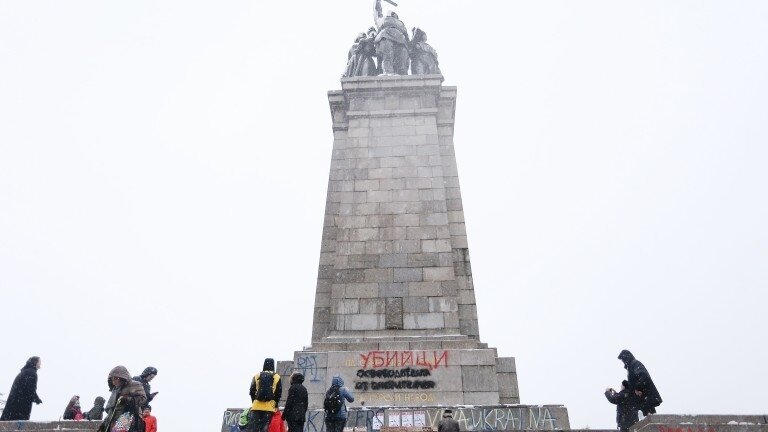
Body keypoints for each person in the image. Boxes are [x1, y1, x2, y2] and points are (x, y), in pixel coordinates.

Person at [98, 366, 147, 432]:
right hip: (115, 424)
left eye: (116, 378)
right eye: (112, 379)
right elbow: (111, 411)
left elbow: (143, 399)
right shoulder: (115, 390)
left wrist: (127, 400)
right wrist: (104, 426)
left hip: (130, 420)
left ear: (122, 378)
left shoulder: (134, 384)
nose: (114, 381)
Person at [618, 350, 662, 415]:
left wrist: (638, 388)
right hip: (641, 398)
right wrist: (626, 384)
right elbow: (634, 381)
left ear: (626, 358)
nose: (623, 362)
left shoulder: (635, 364)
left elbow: (643, 376)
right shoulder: (631, 366)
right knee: (646, 417)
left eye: (623, 359)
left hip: (645, 396)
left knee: (649, 416)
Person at [372, 0, 410, 75]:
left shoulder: (401, 23)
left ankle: (402, 75)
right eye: (392, 14)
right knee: (388, 56)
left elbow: (406, 35)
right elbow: (377, 11)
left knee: (402, 58)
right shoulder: (383, 19)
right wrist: (377, 1)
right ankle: (388, 73)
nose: (394, 14)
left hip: (401, 40)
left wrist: (409, 44)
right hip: (386, 37)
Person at [0, 356, 43, 421]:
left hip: (14, 405)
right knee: (18, 425)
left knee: (9, 422)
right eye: (39, 362)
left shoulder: (26, 371)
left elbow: (29, 388)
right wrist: (36, 399)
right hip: (20, 406)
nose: (41, 363)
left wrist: (36, 398)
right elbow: (30, 389)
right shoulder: (31, 373)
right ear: (35, 363)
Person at [248, 358, 282, 432]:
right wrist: (275, 404)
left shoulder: (257, 375)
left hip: (256, 407)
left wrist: (255, 401)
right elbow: (278, 393)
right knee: (265, 429)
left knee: (254, 429)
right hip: (269, 408)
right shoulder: (277, 376)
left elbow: (251, 391)